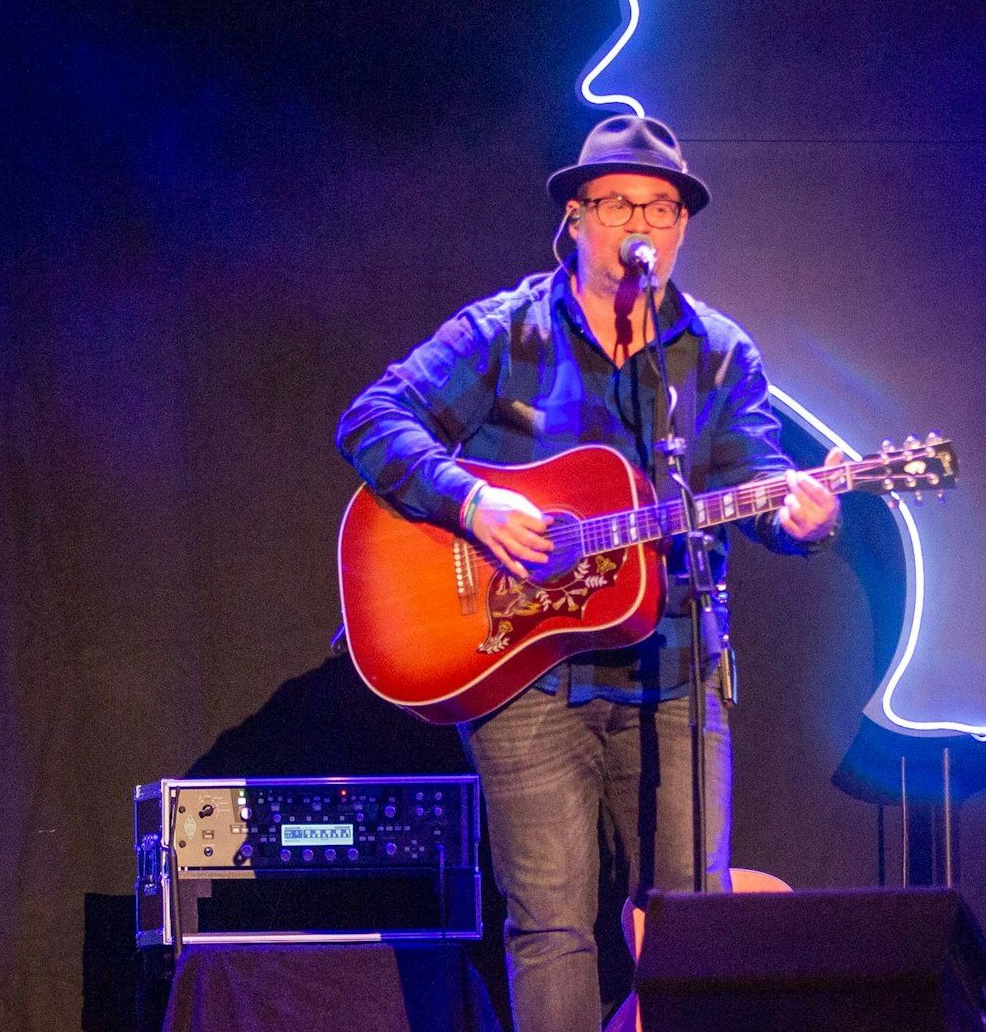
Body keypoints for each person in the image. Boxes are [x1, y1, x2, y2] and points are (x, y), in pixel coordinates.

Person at [336, 115, 841, 1031]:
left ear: (682, 226)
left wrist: (803, 516)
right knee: (552, 927)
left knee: (694, 927)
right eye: (616, 203)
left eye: (662, 205)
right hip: (522, 669)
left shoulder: (719, 353)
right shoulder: (506, 330)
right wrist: (472, 502)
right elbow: (374, 418)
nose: (641, 221)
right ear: (575, 218)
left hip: (678, 671)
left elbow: (757, 483)